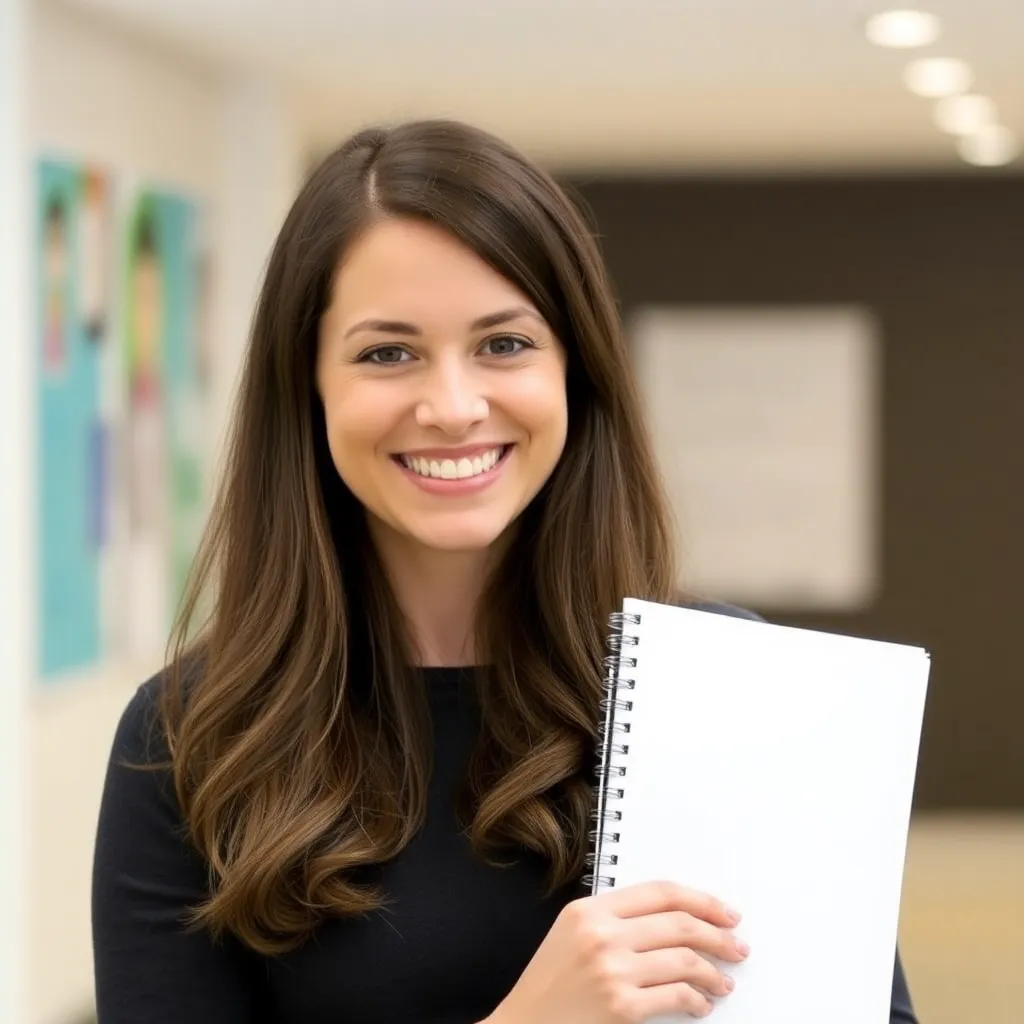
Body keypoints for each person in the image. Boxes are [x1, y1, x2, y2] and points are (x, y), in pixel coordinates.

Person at [91, 119, 919, 1024]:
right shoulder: (191, 739)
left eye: (504, 344)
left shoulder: (737, 683)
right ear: (309, 385)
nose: (453, 407)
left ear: (576, 370)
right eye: (387, 353)